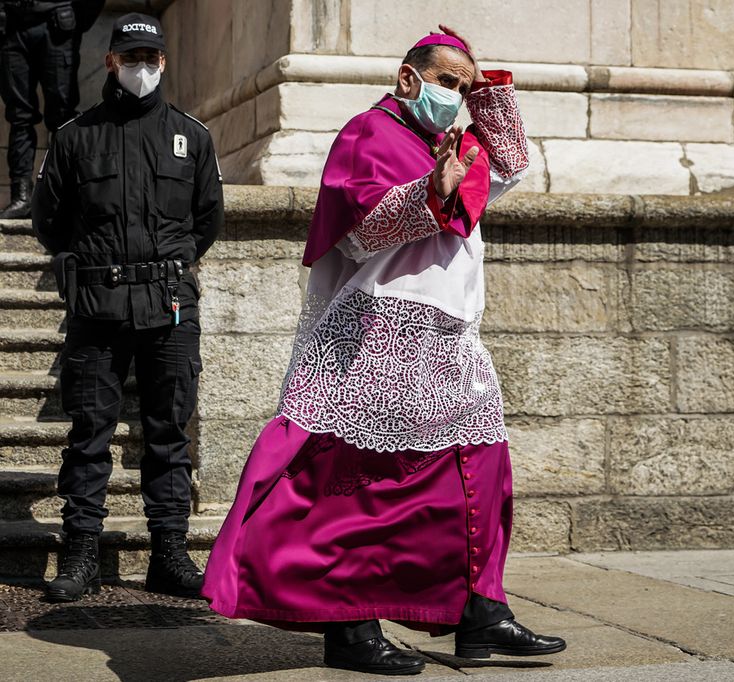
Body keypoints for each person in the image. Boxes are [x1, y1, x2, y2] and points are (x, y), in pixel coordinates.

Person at [202, 27, 565, 676]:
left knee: (479, 474)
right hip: (380, 333)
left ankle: (480, 614)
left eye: (464, 85)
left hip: (452, 336)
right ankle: (348, 628)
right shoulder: (367, 133)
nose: (455, 96)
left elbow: (509, 168)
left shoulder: (452, 140)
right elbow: (363, 230)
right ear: (407, 79)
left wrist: (490, 99)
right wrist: (433, 189)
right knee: (354, 488)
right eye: (448, 82)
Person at [31, 13, 224, 602]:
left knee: (168, 434)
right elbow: (49, 219)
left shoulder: (192, 135)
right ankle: (80, 554)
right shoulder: (73, 137)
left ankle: (169, 552)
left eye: (151, 58)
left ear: (163, 63)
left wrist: (172, 261)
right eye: (130, 57)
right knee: (89, 434)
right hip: (98, 306)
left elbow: (207, 217)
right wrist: (80, 267)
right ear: (111, 61)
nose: (142, 68)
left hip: (168, 307)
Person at [0, 0, 103, 218]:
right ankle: (22, 196)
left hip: (57, 25)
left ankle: (63, 195)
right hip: (12, 26)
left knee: (62, 116)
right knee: (19, 116)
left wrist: (75, 22)